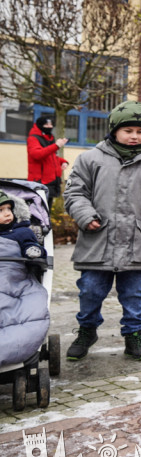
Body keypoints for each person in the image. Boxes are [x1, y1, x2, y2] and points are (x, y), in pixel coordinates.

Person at [64, 101, 141, 362]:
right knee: (90, 290)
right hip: (98, 242)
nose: (134, 136)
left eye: (139, 131)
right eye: (128, 130)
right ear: (114, 130)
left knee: (135, 294)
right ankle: (86, 330)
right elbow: (74, 193)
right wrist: (85, 215)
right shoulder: (90, 159)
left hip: (138, 242)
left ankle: (134, 336)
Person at [0, 190, 50, 367]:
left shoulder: (21, 232)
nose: (7, 213)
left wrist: (33, 252)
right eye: (0, 210)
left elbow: (34, 247)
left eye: (9, 209)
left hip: (14, 278)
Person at [26, 115, 69, 211]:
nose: (49, 126)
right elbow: (37, 154)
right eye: (46, 124)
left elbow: (52, 157)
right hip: (40, 182)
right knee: (39, 211)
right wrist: (56, 145)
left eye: (50, 124)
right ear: (40, 125)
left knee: (47, 211)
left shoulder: (49, 138)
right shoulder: (33, 138)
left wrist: (63, 162)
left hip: (51, 182)